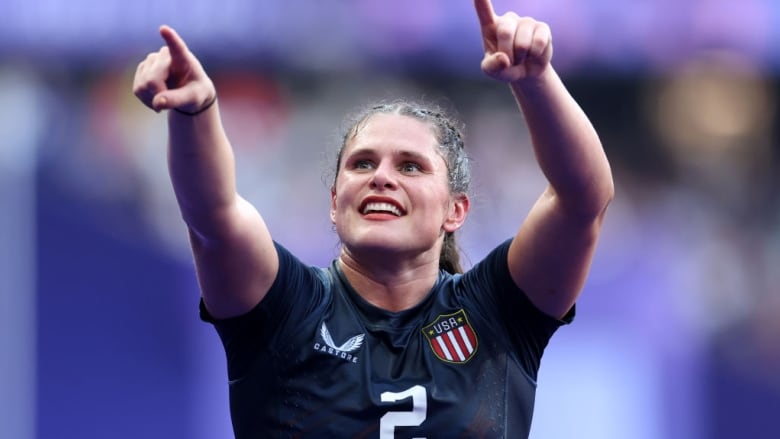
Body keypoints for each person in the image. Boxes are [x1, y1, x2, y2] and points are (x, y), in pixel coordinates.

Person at [132, 0, 614, 437]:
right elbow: (213, 216)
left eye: (410, 166)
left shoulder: (498, 315)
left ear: (455, 210)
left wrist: (535, 81)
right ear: (334, 198)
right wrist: (196, 111)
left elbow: (581, 201)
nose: (382, 178)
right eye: (362, 163)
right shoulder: (283, 311)